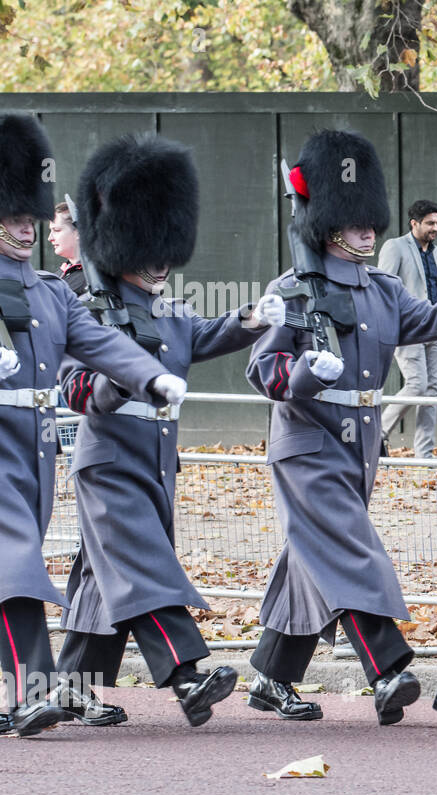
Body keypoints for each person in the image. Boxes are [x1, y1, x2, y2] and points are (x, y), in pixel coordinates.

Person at [243, 129, 437, 726]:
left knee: (315, 556)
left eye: (370, 221)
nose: (369, 230)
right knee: (355, 550)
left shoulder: (381, 288)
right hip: (306, 442)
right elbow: (262, 369)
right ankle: (387, 667)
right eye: (356, 222)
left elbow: (429, 318)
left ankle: (272, 678)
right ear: (329, 224)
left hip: (359, 443)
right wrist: (305, 372)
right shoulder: (291, 289)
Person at [54, 133, 283, 728]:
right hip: (108, 463)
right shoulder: (85, 308)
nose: (159, 264)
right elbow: (77, 389)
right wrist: (119, 381)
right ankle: (187, 675)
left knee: (105, 580)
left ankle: (68, 690)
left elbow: (202, 337)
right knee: (146, 567)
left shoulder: (167, 310)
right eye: (148, 251)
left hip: (155, 464)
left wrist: (250, 319)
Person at [0, 112, 183, 737]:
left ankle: (23, 693)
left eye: (30, 218)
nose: (26, 230)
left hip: (33, 448)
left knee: (13, 563)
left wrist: (150, 377)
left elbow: (99, 345)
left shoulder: (52, 293)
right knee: (17, 563)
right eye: (14, 219)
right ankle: (30, 693)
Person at [378, 199, 437, 458]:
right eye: (430, 223)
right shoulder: (395, 247)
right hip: (408, 327)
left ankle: (424, 455)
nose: (435, 228)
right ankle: (378, 434)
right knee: (417, 385)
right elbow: (382, 288)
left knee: (432, 392)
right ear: (414, 223)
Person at [48, 200, 84, 296]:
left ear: (78, 232)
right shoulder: (55, 276)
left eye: (56, 230)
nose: (50, 238)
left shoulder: (97, 277)